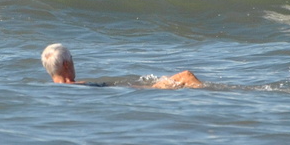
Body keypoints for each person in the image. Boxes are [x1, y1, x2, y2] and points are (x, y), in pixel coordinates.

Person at [41, 43, 203, 89]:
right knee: (186, 76)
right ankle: (209, 93)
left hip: (125, 90)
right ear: (66, 64)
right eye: (72, 59)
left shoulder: (50, 91)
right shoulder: (79, 86)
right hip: (132, 90)